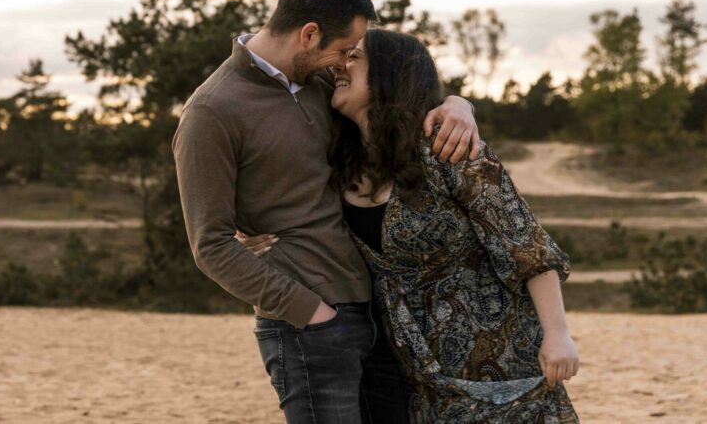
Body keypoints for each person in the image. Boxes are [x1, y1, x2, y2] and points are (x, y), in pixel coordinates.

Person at [172, 0, 479, 423]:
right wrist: (310, 313)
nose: (345, 62)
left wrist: (457, 104)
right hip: (309, 324)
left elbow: (399, 100)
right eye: (342, 49)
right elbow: (209, 244)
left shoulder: (322, 86)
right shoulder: (212, 112)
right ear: (309, 35)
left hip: (379, 311)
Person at [240, 29, 581, 422]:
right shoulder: (339, 163)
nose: (340, 65)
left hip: (501, 366)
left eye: (354, 57)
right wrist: (252, 233)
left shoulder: (445, 144)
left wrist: (558, 334)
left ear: (390, 73)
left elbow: (525, 244)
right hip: (417, 378)